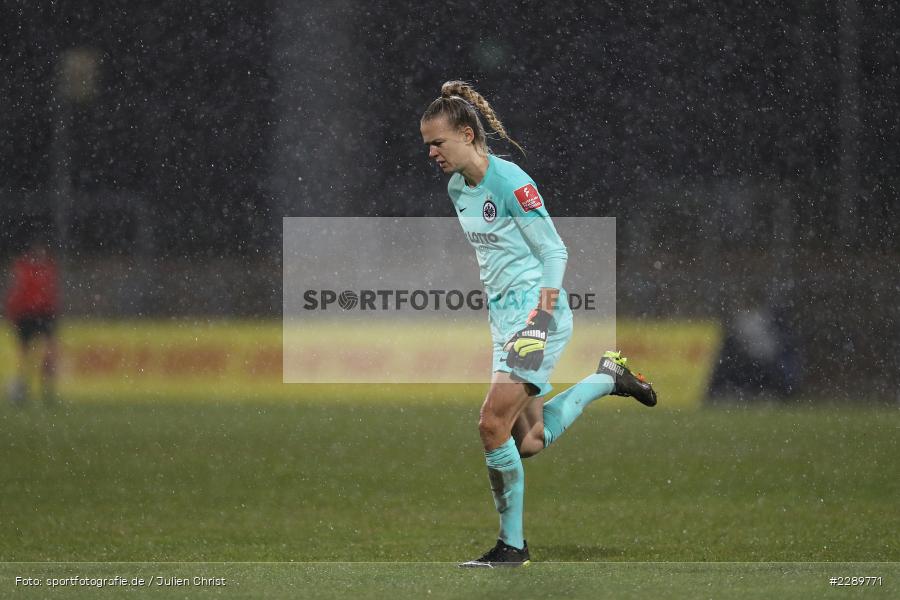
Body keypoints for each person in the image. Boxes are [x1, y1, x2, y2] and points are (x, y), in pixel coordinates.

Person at [420, 81, 658, 568]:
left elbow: (554, 251)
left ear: (467, 134)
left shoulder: (511, 183)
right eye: (427, 144)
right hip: (504, 320)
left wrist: (542, 316)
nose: (431, 152)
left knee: (490, 425)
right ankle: (607, 378)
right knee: (524, 442)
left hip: (537, 316)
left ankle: (512, 547)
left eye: (438, 142)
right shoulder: (457, 188)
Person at [4, 237, 60, 406]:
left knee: (49, 353)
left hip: (44, 314)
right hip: (26, 315)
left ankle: (47, 391)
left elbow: (51, 292)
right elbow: (16, 290)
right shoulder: (23, 268)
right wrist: (12, 312)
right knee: (25, 354)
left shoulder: (48, 268)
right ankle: (23, 388)